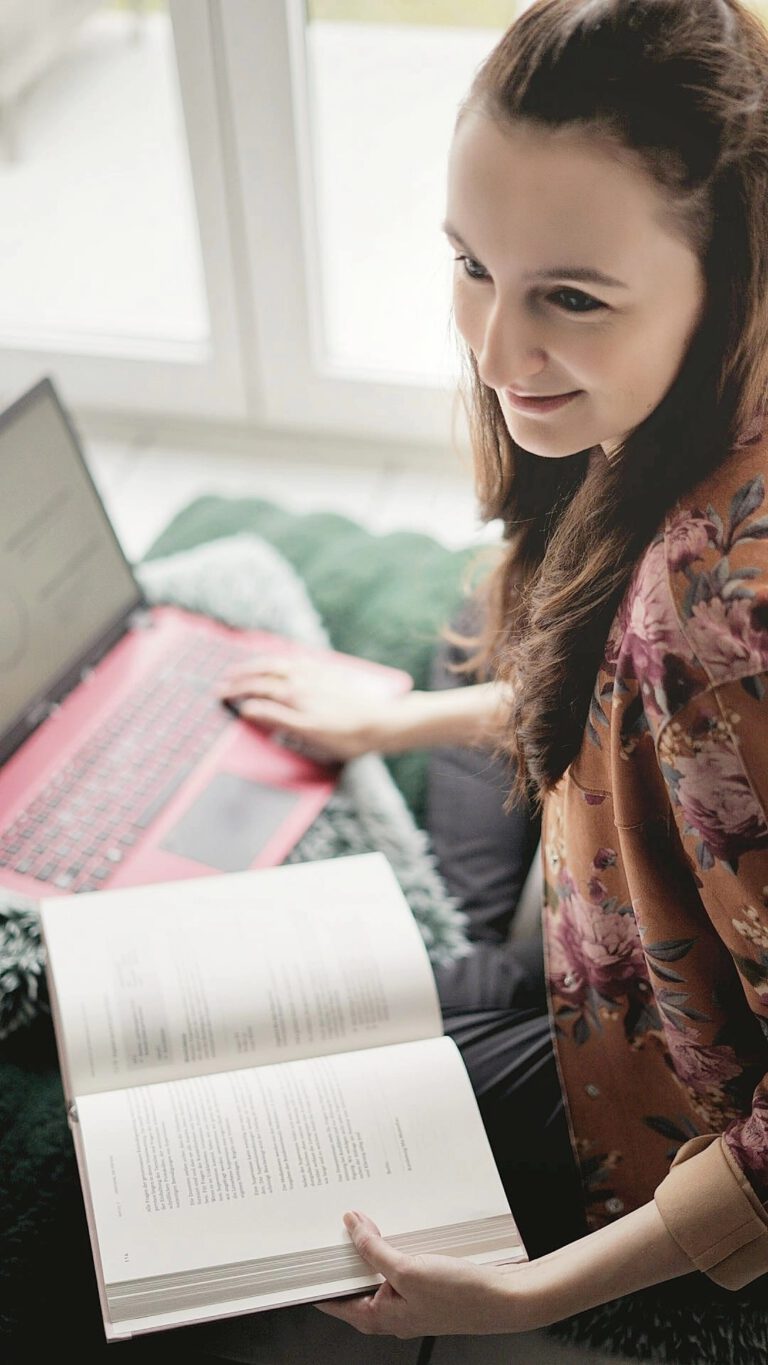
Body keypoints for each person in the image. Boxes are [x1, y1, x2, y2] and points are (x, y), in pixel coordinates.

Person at [219, 0, 768, 1341]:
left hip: (659, 1087)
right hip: (602, 910)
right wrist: (401, 719)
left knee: (252, 1107)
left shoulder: (717, 615)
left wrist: (521, 1292)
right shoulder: (683, 409)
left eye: (569, 297)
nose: (495, 349)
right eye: (473, 264)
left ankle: (469, 961)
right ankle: (472, 945)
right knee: (474, 628)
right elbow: (605, 704)